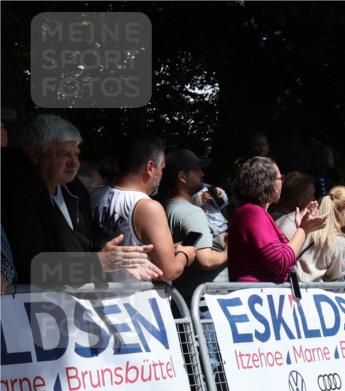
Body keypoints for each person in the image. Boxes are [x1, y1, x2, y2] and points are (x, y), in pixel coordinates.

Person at [2, 115, 161, 286]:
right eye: (64, 154)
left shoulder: (75, 189)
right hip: (35, 307)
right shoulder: (16, 193)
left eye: (76, 154)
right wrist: (96, 264)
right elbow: (32, 266)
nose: (74, 163)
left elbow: (91, 246)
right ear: (35, 154)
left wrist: (119, 260)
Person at [92, 133, 197, 282]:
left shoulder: (97, 194)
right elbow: (167, 272)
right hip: (132, 300)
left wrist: (165, 250)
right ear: (149, 167)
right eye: (161, 169)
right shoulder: (148, 207)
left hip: (95, 297)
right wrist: (184, 255)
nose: (161, 175)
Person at [227, 157, 326, 283]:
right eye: (280, 179)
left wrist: (301, 228)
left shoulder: (256, 212)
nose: (282, 183)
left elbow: (282, 258)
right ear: (268, 182)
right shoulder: (252, 213)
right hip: (256, 297)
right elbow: (281, 262)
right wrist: (303, 230)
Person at [162, 149, 229, 303]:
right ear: (182, 177)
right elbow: (206, 260)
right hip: (205, 305)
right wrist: (228, 250)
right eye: (197, 170)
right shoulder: (192, 213)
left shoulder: (164, 207)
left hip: (182, 298)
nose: (202, 174)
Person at [277, 184, 345, 282]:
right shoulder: (338, 242)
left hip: (277, 289)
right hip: (311, 295)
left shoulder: (286, 220)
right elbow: (336, 284)